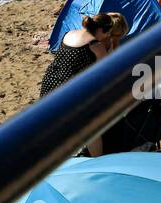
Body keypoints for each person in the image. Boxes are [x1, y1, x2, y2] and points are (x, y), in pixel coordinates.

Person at [40, 13, 127, 155]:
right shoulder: (95, 45)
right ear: (101, 31)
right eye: (107, 34)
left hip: (49, 84)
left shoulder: (69, 34)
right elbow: (107, 72)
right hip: (66, 93)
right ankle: (97, 162)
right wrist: (110, 48)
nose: (107, 37)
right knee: (91, 127)